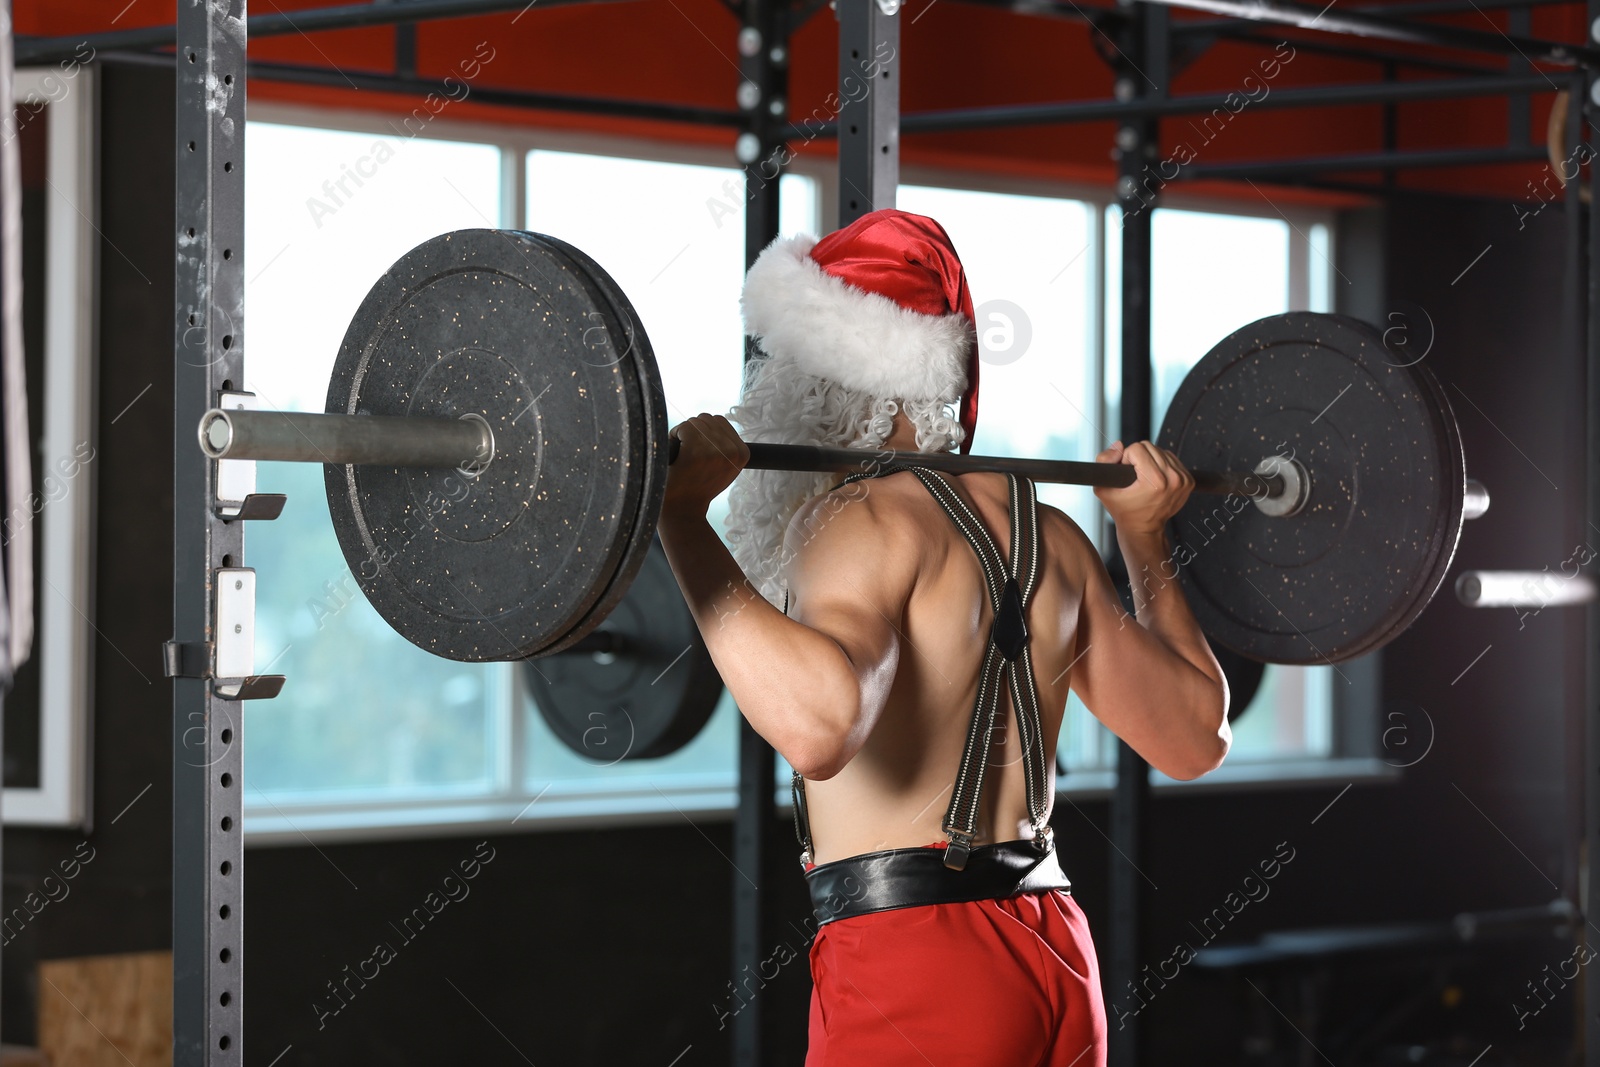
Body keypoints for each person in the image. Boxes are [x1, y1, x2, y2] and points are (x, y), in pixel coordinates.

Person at [658, 208, 1231, 1067]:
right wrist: (1146, 537)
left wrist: (680, 522)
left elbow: (819, 726)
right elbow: (1195, 737)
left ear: (829, 377)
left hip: (915, 969)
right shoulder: (1054, 536)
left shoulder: (856, 524)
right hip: (1059, 961)